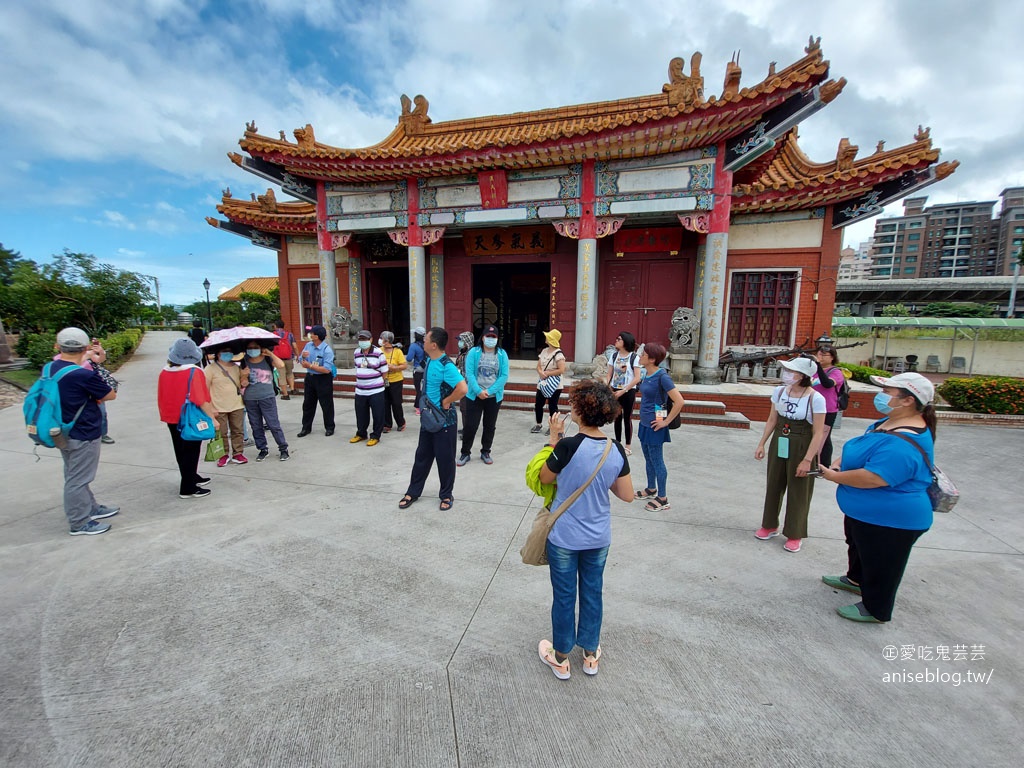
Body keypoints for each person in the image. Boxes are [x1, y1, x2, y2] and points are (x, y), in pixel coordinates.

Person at [820, 372, 937, 623]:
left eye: (888, 393)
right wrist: (841, 464)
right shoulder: (889, 421)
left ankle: (876, 608)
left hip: (892, 518)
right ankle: (855, 579)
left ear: (907, 400)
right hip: (865, 512)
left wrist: (833, 476)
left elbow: (874, 477)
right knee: (860, 547)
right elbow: (862, 448)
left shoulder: (904, 443)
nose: (881, 397)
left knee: (883, 563)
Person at [536, 381, 634, 680]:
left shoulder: (567, 446)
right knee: (592, 591)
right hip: (598, 536)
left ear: (581, 410)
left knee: (564, 594)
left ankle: (561, 656)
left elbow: (545, 477)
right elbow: (627, 494)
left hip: (565, 535)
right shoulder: (614, 449)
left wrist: (553, 439)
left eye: (573, 403)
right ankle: (590, 654)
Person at [49, 327, 119, 535]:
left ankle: (91, 508)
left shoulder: (50, 368)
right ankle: (79, 522)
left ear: (57, 346)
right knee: (78, 479)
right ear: (86, 347)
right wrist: (95, 367)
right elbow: (110, 394)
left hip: (61, 429)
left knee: (74, 473)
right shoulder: (81, 374)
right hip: (83, 432)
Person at [754, 356, 827, 553]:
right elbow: (772, 419)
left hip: (802, 442)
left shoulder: (815, 398)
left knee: (799, 490)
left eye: (791, 371)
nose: (787, 374)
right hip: (781, 438)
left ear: (803, 376)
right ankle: (769, 524)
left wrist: (807, 460)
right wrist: (762, 443)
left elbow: (818, 432)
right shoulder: (779, 392)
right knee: (774, 483)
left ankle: (795, 533)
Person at [398, 327, 468, 511]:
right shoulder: (430, 360)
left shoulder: (446, 365)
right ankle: (413, 492)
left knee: (445, 461)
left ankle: (446, 495)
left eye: (426, 339)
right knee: (421, 457)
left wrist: (446, 401)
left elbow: (462, 389)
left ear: (434, 344)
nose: (424, 341)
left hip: (444, 422)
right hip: (428, 420)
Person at [158, 337, 218, 499]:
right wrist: (212, 417)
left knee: (180, 450)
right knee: (192, 450)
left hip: (172, 416)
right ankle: (188, 487)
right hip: (190, 417)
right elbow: (200, 399)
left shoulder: (165, 371)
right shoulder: (194, 371)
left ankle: (191, 476)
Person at [633, 342, 684, 512]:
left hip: (656, 423)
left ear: (652, 359)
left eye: (643, 354)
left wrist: (666, 422)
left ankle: (662, 498)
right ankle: (651, 488)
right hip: (645, 423)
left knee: (657, 460)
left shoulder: (663, 377)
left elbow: (679, 401)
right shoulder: (647, 374)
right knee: (648, 458)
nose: (640, 356)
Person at [458, 324, 510, 467]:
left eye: (493, 337)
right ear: (483, 337)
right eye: (488, 336)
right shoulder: (474, 352)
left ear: (497, 339)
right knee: (471, 425)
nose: (490, 339)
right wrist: (478, 391)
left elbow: (504, 376)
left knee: (489, 426)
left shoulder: (501, 354)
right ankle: (465, 452)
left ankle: (485, 451)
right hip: (474, 396)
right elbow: (470, 374)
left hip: (493, 398)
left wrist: (490, 391)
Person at [240, 341, 290, 461]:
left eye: (255, 347)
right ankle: (262, 449)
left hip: (267, 397)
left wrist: (270, 353)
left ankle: (283, 448)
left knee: (273, 424)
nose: (252, 350)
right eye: (249, 348)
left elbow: (281, 365)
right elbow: (242, 383)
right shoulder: (243, 361)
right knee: (256, 425)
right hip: (250, 398)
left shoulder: (267, 360)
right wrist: (243, 376)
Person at [205, 345, 248, 466]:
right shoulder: (210, 369)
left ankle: (238, 453)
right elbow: (205, 389)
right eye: (225, 352)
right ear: (218, 354)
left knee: (238, 430)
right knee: (221, 432)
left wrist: (245, 376)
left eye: (230, 352)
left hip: (236, 404)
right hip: (218, 406)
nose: (228, 354)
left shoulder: (236, 367)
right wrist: (210, 408)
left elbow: (243, 384)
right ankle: (223, 454)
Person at [605, 331, 642, 455]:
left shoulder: (634, 357)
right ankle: (617, 443)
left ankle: (628, 445)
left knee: (627, 418)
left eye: (619, 339)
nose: (616, 340)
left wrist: (624, 390)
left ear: (625, 342)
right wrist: (608, 385)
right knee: (617, 417)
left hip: (628, 391)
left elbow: (637, 378)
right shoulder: (614, 356)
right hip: (614, 389)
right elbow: (609, 373)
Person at [297, 324, 335, 437]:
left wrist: (310, 365)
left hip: (323, 379)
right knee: (308, 404)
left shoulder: (327, 350)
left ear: (316, 336)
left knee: (326, 404)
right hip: (310, 378)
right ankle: (306, 428)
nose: (310, 335)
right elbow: (300, 359)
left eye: (312, 333)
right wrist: (303, 357)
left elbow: (327, 370)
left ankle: (329, 427)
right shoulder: (308, 345)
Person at [351, 329, 387, 446]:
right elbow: (358, 367)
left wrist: (378, 382)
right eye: (360, 339)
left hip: (376, 390)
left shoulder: (378, 353)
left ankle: (376, 435)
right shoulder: (356, 352)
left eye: (365, 339)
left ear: (371, 340)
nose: (362, 342)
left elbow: (384, 371)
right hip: (360, 390)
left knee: (378, 414)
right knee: (361, 414)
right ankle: (361, 433)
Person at [813, 345, 846, 467]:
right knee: (814, 434)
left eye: (824, 355)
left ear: (832, 357)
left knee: (824, 437)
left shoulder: (836, 372)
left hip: (828, 409)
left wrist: (818, 366)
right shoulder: (814, 370)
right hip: (813, 408)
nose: (820, 357)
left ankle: (823, 464)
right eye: (819, 354)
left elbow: (827, 384)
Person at [532, 329, 566, 434]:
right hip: (542, 383)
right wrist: (540, 372)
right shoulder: (544, 351)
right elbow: (538, 365)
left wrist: (547, 373)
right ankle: (538, 423)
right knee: (538, 404)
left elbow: (561, 370)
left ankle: (552, 427)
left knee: (552, 406)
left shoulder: (558, 354)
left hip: (554, 385)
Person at [380, 331, 408, 433]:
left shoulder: (397, 351)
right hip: (383, 380)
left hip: (396, 380)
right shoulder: (379, 350)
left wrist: (394, 367)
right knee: (385, 403)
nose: (380, 340)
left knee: (396, 403)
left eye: (382, 338)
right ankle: (387, 424)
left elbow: (404, 365)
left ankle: (401, 423)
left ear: (387, 340)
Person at [272, 319, 300, 400]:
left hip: (278, 359)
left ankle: (285, 394)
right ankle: (292, 389)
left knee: (281, 376)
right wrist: (298, 356)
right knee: (290, 373)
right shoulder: (289, 334)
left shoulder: (273, 335)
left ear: (276, 326)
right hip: (289, 358)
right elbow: (294, 346)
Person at [454, 331, 474, 438]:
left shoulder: (471, 354)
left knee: (466, 409)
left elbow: (470, 372)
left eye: (461, 341)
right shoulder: (462, 352)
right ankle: (466, 428)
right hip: (462, 384)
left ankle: (468, 431)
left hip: (468, 386)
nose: (459, 343)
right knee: (463, 408)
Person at [408, 326, 427, 415]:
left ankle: (418, 407)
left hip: (418, 370)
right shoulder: (427, 344)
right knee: (426, 388)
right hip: (427, 370)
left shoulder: (414, 346)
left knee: (419, 389)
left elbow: (409, 358)